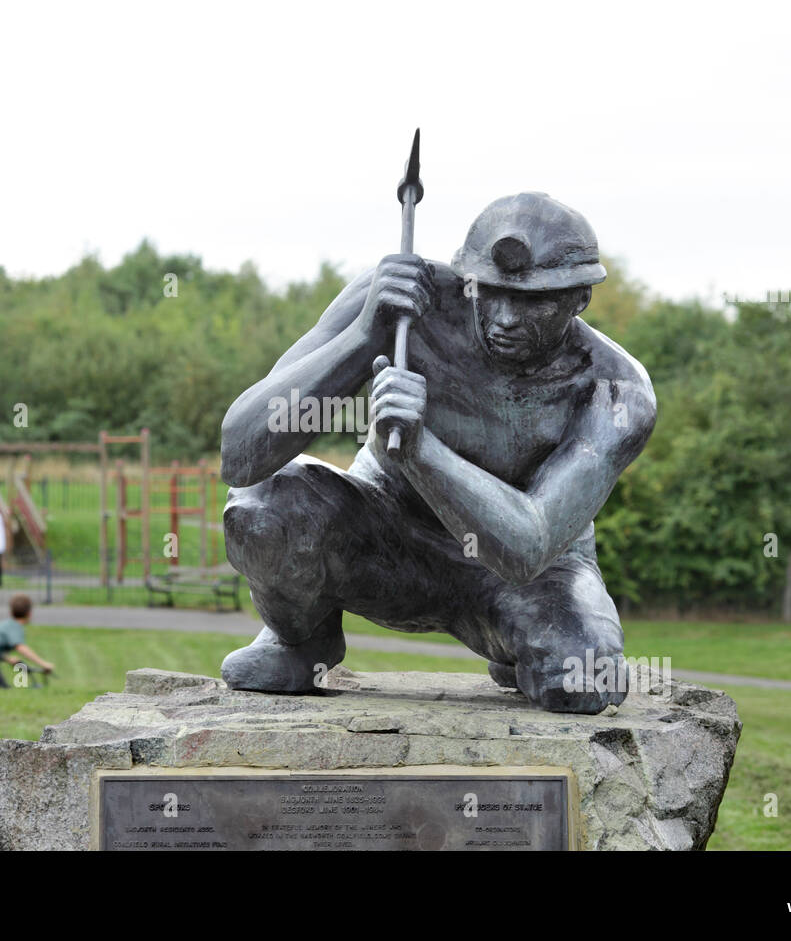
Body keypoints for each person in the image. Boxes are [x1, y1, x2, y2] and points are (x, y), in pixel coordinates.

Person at [217, 192, 656, 714]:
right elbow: (241, 456)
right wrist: (363, 336)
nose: (506, 317)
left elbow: (528, 547)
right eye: (488, 292)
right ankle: (302, 637)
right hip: (386, 539)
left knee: (584, 679)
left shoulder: (615, 390)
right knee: (262, 509)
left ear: (580, 297)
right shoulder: (402, 304)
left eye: (534, 301)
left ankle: (518, 642)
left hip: (522, 576)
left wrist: (421, 449)